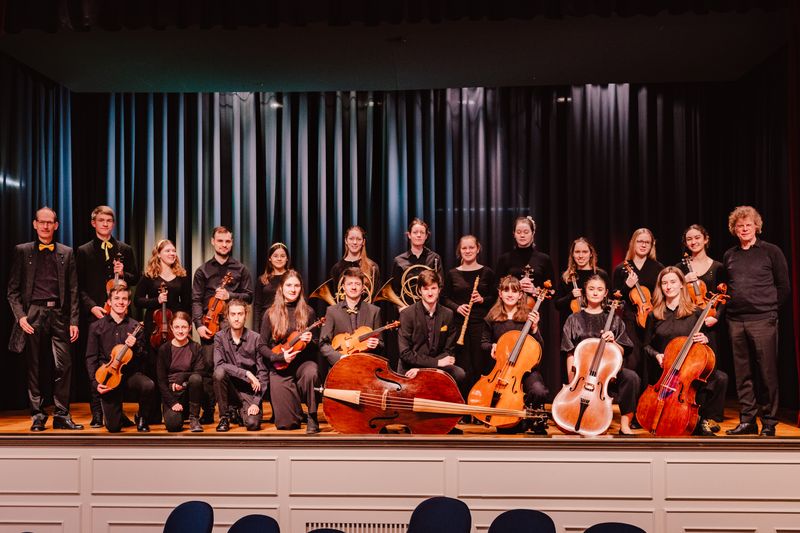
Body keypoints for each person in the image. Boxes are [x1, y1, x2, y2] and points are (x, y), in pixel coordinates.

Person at [7, 207, 83, 431]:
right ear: (35, 224)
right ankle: (38, 415)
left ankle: (61, 415)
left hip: (59, 314)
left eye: (50, 222)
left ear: (56, 225)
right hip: (33, 314)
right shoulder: (22, 251)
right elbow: (12, 291)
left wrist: (74, 321)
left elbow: (74, 291)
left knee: (64, 365)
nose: (46, 226)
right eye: (42, 222)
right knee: (34, 366)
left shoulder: (66, 253)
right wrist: (21, 317)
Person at [723, 206, 790, 437]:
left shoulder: (771, 251)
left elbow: (784, 287)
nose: (744, 229)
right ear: (734, 229)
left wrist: (770, 310)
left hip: (763, 320)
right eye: (740, 226)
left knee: (766, 373)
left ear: (756, 227)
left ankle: (769, 422)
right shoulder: (730, 255)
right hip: (735, 321)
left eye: (748, 225)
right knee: (743, 374)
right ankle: (748, 420)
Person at [643, 267, 728, 436]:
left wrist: (705, 339)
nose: (668, 286)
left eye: (673, 282)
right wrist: (657, 355)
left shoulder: (696, 313)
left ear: (682, 284)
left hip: (689, 368)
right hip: (664, 369)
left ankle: (703, 418)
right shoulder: (654, 315)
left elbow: (706, 346)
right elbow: (646, 345)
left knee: (720, 378)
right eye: (664, 283)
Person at [77, 205, 140, 428]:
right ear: (93, 223)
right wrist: (92, 307)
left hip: (120, 315)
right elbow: (78, 286)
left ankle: (117, 412)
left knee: (119, 363)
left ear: (113, 224)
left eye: (109, 221)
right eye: (101, 220)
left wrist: (123, 273)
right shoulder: (84, 251)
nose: (105, 224)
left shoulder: (124, 249)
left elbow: (135, 278)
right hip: (97, 314)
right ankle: (97, 412)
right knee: (96, 362)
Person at [560, 274, 639, 435]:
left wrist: (613, 341)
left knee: (632, 377)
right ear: (585, 291)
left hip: (607, 373)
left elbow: (622, 351)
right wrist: (572, 382)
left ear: (605, 293)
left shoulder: (614, 320)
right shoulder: (573, 319)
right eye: (591, 289)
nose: (595, 292)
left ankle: (625, 424)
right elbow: (569, 352)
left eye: (599, 289)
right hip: (582, 375)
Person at [192, 226, 254, 423]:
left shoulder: (240, 269)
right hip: (209, 325)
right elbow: (196, 300)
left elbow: (249, 296)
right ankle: (209, 410)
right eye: (220, 241)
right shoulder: (202, 270)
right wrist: (198, 324)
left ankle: (233, 409)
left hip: (231, 324)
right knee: (209, 368)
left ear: (232, 242)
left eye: (227, 241)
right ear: (213, 242)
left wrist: (230, 295)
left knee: (233, 367)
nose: (224, 244)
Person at [480, 275, 548, 434]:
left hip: (525, 369)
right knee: (507, 430)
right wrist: (492, 346)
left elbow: (539, 347)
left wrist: (535, 328)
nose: (510, 294)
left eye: (514, 291)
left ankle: (529, 418)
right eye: (506, 290)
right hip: (502, 370)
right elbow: (483, 343)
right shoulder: (492, 316)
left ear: (520, 295)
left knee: (539, 391)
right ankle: (515, 420)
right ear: (500, 293)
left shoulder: (528, 316)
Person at [134, 239, 192, 423]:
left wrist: (181, 323)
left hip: (175, 328)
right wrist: (156, 301)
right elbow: (137, 300)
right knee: (153, 368)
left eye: (173, 250)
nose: (172, 253)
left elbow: (187, 304)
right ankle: (152, 414)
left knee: (175, 367)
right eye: (167, 251)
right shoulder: (149, 276)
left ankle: (177, 409)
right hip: (154, 328)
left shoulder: (182, 276)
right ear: (158, 254)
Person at [85, 284, 156, 433]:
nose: (120, 302)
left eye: (124, 299)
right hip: (109, 377)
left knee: (148, 385)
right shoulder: (96, 326)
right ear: (109, 302)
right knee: (113, 428)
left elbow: (144, 357)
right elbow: (91, 358)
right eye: (116, 298)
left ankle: (142, 417)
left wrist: (135, 346)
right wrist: (95, 383)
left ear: (129, 302)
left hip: (129, 375)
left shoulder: (136, 327)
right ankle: (118, 417)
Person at [260, 270, 321, 433]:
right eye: (289, 285)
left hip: (303, 364)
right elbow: (261, 346)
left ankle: (312, 416)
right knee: (286, 424)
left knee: (312, 372)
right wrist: (279, 356)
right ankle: (296, 412)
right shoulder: (270, 313)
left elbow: (317, 345)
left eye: (296, 285)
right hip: (280, 367)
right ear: (281, 287)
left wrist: (309, 342)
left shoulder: (308, 312)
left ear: (301, 288)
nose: (293, 289)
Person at [611, 228, 664, 393]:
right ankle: (631, 400)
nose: (643, 245)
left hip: (652, 319)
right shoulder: (621, 268)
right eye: (640, 241)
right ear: (633, 243)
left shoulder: (657, 268)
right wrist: (627, 286)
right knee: (632, 360)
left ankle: (650, 399)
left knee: (650, 361)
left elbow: (662, 294)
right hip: (630, 320)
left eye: (647, 242)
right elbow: (615, 297)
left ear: (651, 245)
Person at [443, 235, 496, 391]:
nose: (468, 251)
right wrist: (457, 307)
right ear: (459, 250)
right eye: (464, 248)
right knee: (462, 366)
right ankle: (463, 400)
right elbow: (443, 298)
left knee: (480, 365)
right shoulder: (452, 273)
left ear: (478, 249)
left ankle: (479, 399)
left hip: (480, 325)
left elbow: (495, 298)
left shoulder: (487, 272)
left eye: (471, 247)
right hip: (459, 325)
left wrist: (482, 299)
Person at [398, 270, 464, 386]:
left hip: (438, 366)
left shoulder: (448, 314)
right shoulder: (407, 314)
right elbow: (405, 353)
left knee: (460, 374)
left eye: (433, 288)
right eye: (425, 289)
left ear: (439, 290)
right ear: (419, 291)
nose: (430, 293)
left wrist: (431, 367)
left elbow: (449, 350)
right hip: (412, 367)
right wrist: (435, 363)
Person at [212, 300, 269, 432]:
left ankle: (238, 411)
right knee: (219, 373)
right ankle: (224, 417)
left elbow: (263, 373)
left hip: (249, 391)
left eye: (240, 314)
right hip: (230, 390)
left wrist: (256, 402)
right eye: (233, 314)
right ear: (227, 316)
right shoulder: (220, 337)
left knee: (252, 424)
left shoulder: (256, 338)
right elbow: (219, 365)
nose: (236, 318)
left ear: (246, 315)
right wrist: (246, 373)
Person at [319, 267, 383, 366]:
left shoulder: (374, 311)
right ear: (343, 287)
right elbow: (323, 343)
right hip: (341, 365)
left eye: (357, 284)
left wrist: (376, 344)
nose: (353, 287)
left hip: (366, 365)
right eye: (349, 284)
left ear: (363, 287)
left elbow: (381, 344)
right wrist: (340, 358)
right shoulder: (332, 311)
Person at [156, 312, 205, 432]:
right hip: (171, 394)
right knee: (173, 426)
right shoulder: (164, 349)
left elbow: (199, 373)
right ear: (171, 328)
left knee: (196, 378)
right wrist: (172, 402)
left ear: (189, 328)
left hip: (190, 393)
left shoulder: (196, 347)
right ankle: (179, 416)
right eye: (177, 327)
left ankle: (194, 418)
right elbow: (161, 381)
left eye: (184, 327)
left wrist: (183, 380)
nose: (180, 331)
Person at [495, 216, 554, 305]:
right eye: (518, 232)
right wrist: (516, 286)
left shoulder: (544, 259)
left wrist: (535, 290)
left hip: (536, 310)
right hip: (509, 310)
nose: (522, 235)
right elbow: (495, 288)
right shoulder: (504, 259)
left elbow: (553, 291)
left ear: (533, 233)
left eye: (526, 232)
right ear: (514, 234)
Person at [390, 218, 444, 309]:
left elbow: (440, 285)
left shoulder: (435, 258)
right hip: (407, 308)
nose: (419, 235)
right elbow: (395, 290)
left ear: (426, 236)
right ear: (409, 235)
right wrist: (400, 307)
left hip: (429, 308)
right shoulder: (399, 260)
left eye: (422, 232)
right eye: (415, 232)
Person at [554, 237, 608, 326]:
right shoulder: (566, 276)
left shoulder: (601, 275)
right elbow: (557, 305)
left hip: (597, 324)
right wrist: (570, 296)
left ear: (591, 254)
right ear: (572, 254)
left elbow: (608, 302)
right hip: (571, 326)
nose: (581, 256)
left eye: (585, 252)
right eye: (577, 252)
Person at [329, 225, 380, 300]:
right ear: (346, 241)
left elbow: (375, 296)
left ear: (363, 242)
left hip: (367, 307)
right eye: (351, 239)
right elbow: (335, 296)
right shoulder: (336, 268)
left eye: (359, 239)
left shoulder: (372, 267)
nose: (355, 242)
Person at [254, 242, 291, 329]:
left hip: (287, 321)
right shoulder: (262, 279)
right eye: (275, 256)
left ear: (287, 259)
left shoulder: (292, 278)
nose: (279, 259)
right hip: (266, 322)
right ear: (270, 258)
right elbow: (257, 306)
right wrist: (256, 328)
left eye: (282, 256)